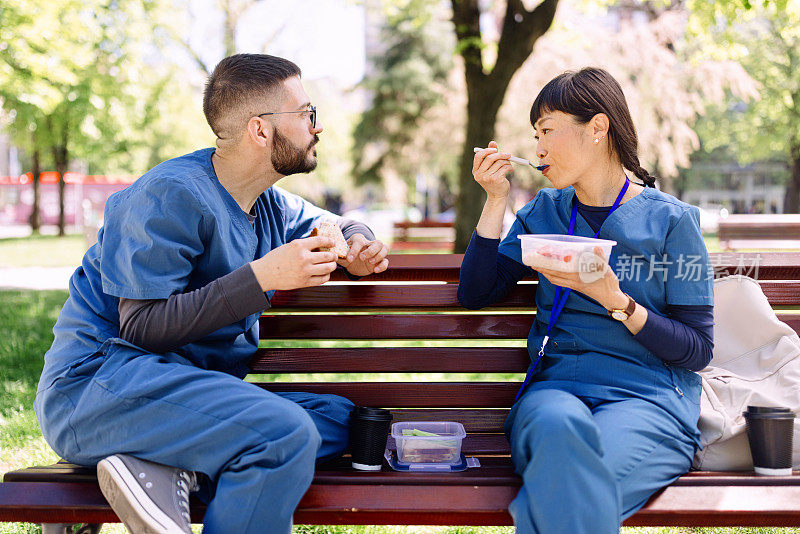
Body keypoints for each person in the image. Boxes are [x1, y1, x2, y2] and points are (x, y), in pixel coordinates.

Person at [34, 53, 390, 534]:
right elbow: (142, 328)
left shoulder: (266, 201)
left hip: (184, 390)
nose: (318, 126)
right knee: (284, 434)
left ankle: (167, 464)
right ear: (261, 130)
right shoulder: (166, 194)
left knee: (344, 422)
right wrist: (262, 278)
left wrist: (359, 240)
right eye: (307, 114)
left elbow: (339, 222)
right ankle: (155, 460)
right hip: (100, 388)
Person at [458, 67, 714, 533]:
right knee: (558, 435)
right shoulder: (544, 211)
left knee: (571, 487)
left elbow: (697, 349)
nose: (537, 149)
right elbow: (477, 293)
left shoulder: (673, 222)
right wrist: (496, 200)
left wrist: (618, 301)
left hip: (648, 401)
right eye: (535, 134)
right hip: (555, 394)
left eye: (547, 131)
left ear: (598, 128)